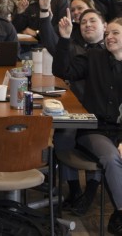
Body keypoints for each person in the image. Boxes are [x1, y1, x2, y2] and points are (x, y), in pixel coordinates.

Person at [53, 13, 122, 235]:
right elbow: (62, 72)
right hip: (96, 131)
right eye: (108, 33)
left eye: (115, 33)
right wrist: (64, 40)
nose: (109, 37)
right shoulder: (93, 56)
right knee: (112, 158)